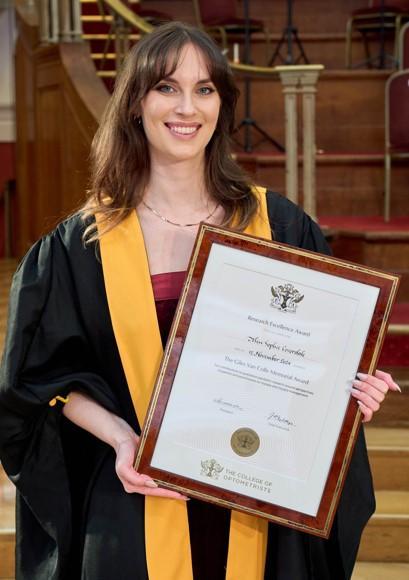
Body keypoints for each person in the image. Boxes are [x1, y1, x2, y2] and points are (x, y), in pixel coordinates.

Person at [0, 21, 400, 580]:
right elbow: (45, 381)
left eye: (204, 89)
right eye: (166, 87)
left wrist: (348, 390)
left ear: (222, 105)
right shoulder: (78, 247)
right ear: (135, 103)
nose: (187, 107)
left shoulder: (278, 224)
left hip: (260, 498)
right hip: (135, 498)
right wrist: (122, 441)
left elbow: (318, 359)